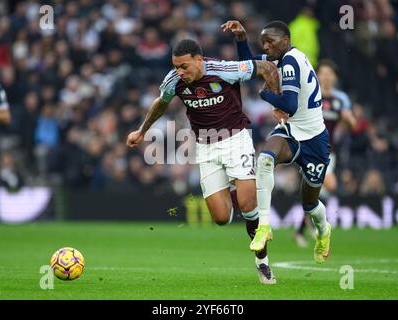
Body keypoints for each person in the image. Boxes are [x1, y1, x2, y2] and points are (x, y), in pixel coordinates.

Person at [126, 39, 280, 284]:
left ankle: (262, 262)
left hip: (236, 139)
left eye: (184, 66)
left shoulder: (224, 69)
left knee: (249, 205)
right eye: (176, 67)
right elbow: (160, 103)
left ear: (199, 60)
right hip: (205, 147)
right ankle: (237, 190)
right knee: (220, 219)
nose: (180, 72)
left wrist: (278, 105)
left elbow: (268, 69)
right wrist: (141, 131)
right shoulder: (173, 81)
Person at [222, 20, 332, 264]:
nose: (266, 48)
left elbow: (290, 105)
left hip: (314, 139)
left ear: (285, 41)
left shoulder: (291, 61)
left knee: (310, 205)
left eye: (270, 43)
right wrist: (241, 38)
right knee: (265, 159)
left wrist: (265, 95)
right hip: (292, 132)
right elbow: (251, 65)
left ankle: (324, 232)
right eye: (264, 43)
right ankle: (264, 226)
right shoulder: (280, 57)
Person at [294, 59, 357, 247]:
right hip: (310, 149)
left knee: (316, 192)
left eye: (330, 73)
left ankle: (302, 230)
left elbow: (352, 126)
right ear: (317, 75)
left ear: (335, 77)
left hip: (330, 152)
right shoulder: (310, 95)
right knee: (328, 186)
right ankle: (314, 227)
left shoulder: (340, 100)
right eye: (323, 73)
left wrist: (349, 120)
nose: (327, 76)